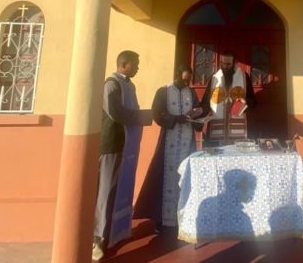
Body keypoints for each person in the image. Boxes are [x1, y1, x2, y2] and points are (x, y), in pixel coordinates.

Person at [93, 50, 148, 261]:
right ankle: (98, 238)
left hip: (127, 146)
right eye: (136, 64)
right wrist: (143, 117)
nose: (138, 68)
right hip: (112, 145)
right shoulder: (111, 85)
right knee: (106, 191)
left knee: (120, 188)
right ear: (124, 65)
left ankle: (117, 232)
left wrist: (141, 116)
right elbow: (115, 113)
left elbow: (131, 109)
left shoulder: (130, 86)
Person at [134, 65, 202, 230]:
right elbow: (157, 113)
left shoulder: (191, 92)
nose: (186, 83)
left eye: (189, 80)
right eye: (184, 80)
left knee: (186, 176)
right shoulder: (163, 91)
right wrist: (175, 119)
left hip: (187, 141)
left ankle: (184, 217)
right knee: (162, 176)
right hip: (168, 141)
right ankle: (161, 219)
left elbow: (197, 111)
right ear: (176, 76)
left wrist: (197, 116)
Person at [200, 51, 256, 143]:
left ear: (234, 63)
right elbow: (206, 102)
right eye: (223, 63)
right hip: (216, 127)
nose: (225, 66)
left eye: (228, 64)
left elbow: (252, 100)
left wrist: (245, 101)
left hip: (237, 127)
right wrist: (200, 114)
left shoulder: (244, 77)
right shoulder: (214, 78)